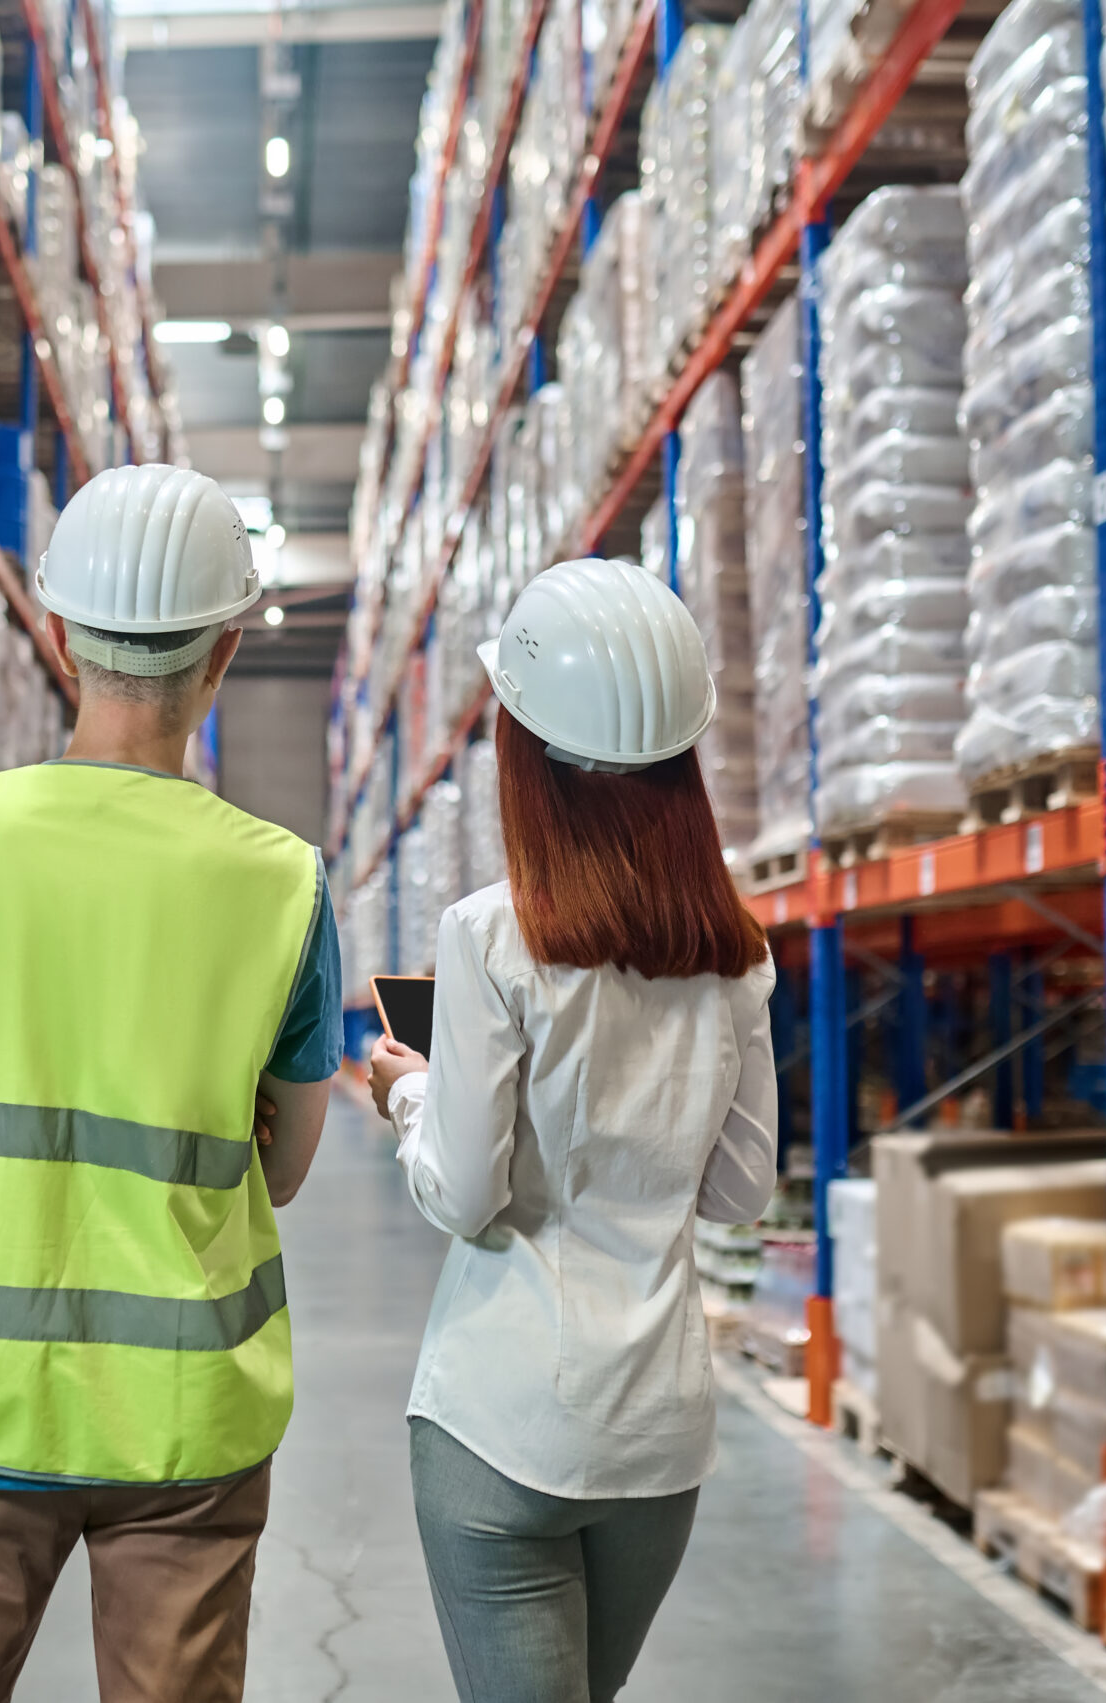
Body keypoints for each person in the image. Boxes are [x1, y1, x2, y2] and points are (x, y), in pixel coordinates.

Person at [0, 462, 342, 1703]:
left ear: (60, 636)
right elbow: (281, 1164)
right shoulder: (278, 879)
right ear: (221, 656)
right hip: (181, 1411)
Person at [365, 557, 778, 1703]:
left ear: (524, 750)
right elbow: (741, 1186)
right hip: (659, 1433)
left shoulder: (489, 936)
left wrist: (407, 1090)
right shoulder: (734, 951)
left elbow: (460, 1192)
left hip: (501, 1426)